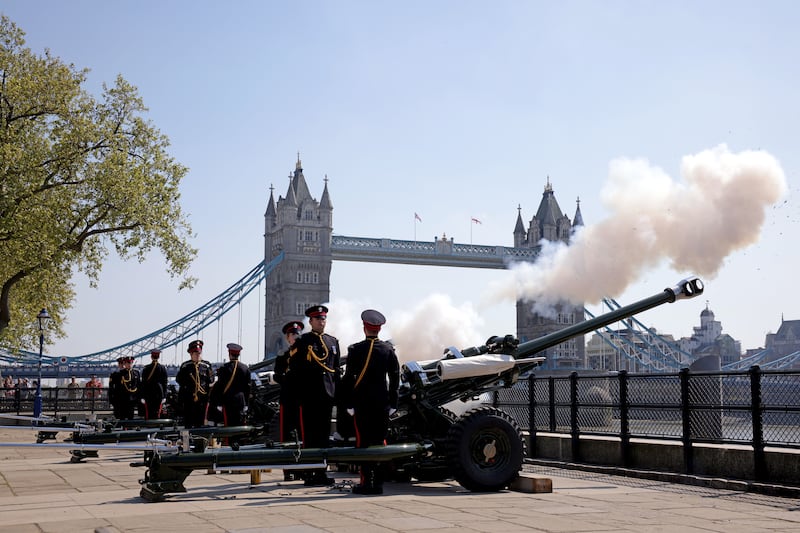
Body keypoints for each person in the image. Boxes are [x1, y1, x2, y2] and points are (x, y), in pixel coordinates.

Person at [340, 309, 400, 495]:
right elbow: (395, 378)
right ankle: (379, 483)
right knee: (379, 441)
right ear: (379, 329)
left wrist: (349, 404)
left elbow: (349, 378)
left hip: (362, 404)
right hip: (382, 404)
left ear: (365, 328)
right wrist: (393, 403)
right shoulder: (388, 350)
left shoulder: (355, 350)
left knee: (363, 443)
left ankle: (366, 483)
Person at [288, 304, 341, 486]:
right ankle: (310, 472)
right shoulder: (303, 342)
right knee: (310, 437)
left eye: (324, 318)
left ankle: (321, 472)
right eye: (318, 318)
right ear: (311, 321)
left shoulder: (332, 342)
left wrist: (338, 395)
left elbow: (336, 372)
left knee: (324, 437)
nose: (321, 321)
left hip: (326, 396)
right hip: (309, 397)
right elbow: (294, 372)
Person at [274, 320, 304, 481]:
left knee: (302, 433)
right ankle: (289, 470)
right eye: (293, 334)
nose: (295, 336)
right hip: (288, 399)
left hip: (301, 399)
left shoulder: (305, 354)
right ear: (287, 338)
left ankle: (303, 467)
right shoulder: (283, 357)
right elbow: (278, 375)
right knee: (287, 434)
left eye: (297, 333)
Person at [209, 343, 251, 428]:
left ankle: (229, 441)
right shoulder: (245, 368)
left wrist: (219, 403)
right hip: (240, 401)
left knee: (228, 425)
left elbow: (220, 387)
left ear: (229, 354)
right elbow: (248, 388)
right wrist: (246, 404)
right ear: (238, 354)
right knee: (239, 425)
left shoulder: (223, 368)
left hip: (228, 402)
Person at [176, 340, 214, 428]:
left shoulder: (206, 366)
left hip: (202, 399)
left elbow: (211, 380)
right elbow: (179, 380)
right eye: (196, 354)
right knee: (188, 422)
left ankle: (199, 440)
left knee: (200, 422)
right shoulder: (185, 366)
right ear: (191, 354)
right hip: (189, 398)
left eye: (199, 354)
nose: (198, 356)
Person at [138, 349, 168, 419]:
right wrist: (164, 395)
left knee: (149, 414)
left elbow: (143, 383)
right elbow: (165, 383)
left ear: (151, 357)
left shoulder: (146, 368)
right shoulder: (162, 368)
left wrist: (142, 396)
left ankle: (150, 428)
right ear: (158, 357)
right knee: (157, 413)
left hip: (149, 394)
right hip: (159, 394)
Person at [110, 356, 140, 421]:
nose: (129, 365)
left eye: (130, 363)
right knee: (122, 418)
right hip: (122, 400)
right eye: (127, 363)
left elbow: (138, 386)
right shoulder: (119, 374)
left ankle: (129, 429)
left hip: (132, 400)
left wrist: (137, 398)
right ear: (125, 364)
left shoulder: (136, 373)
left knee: (130, 417)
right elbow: (115, 388)